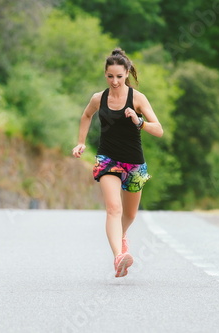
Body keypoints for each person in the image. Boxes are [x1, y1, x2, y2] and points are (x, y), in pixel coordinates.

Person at [72, 48, 164, 278]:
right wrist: (81, 142)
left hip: (134, 163)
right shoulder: (98, 98)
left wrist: (138, 121)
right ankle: (118, 257)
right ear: (105, 74)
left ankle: (121, 239)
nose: (114, 81)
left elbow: (159, 130)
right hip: (108, 159)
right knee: (114, 208)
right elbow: (86, 116)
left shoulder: (138, 98)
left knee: (130, 214)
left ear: (127, 75)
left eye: (119, 77)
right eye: (110, 76)